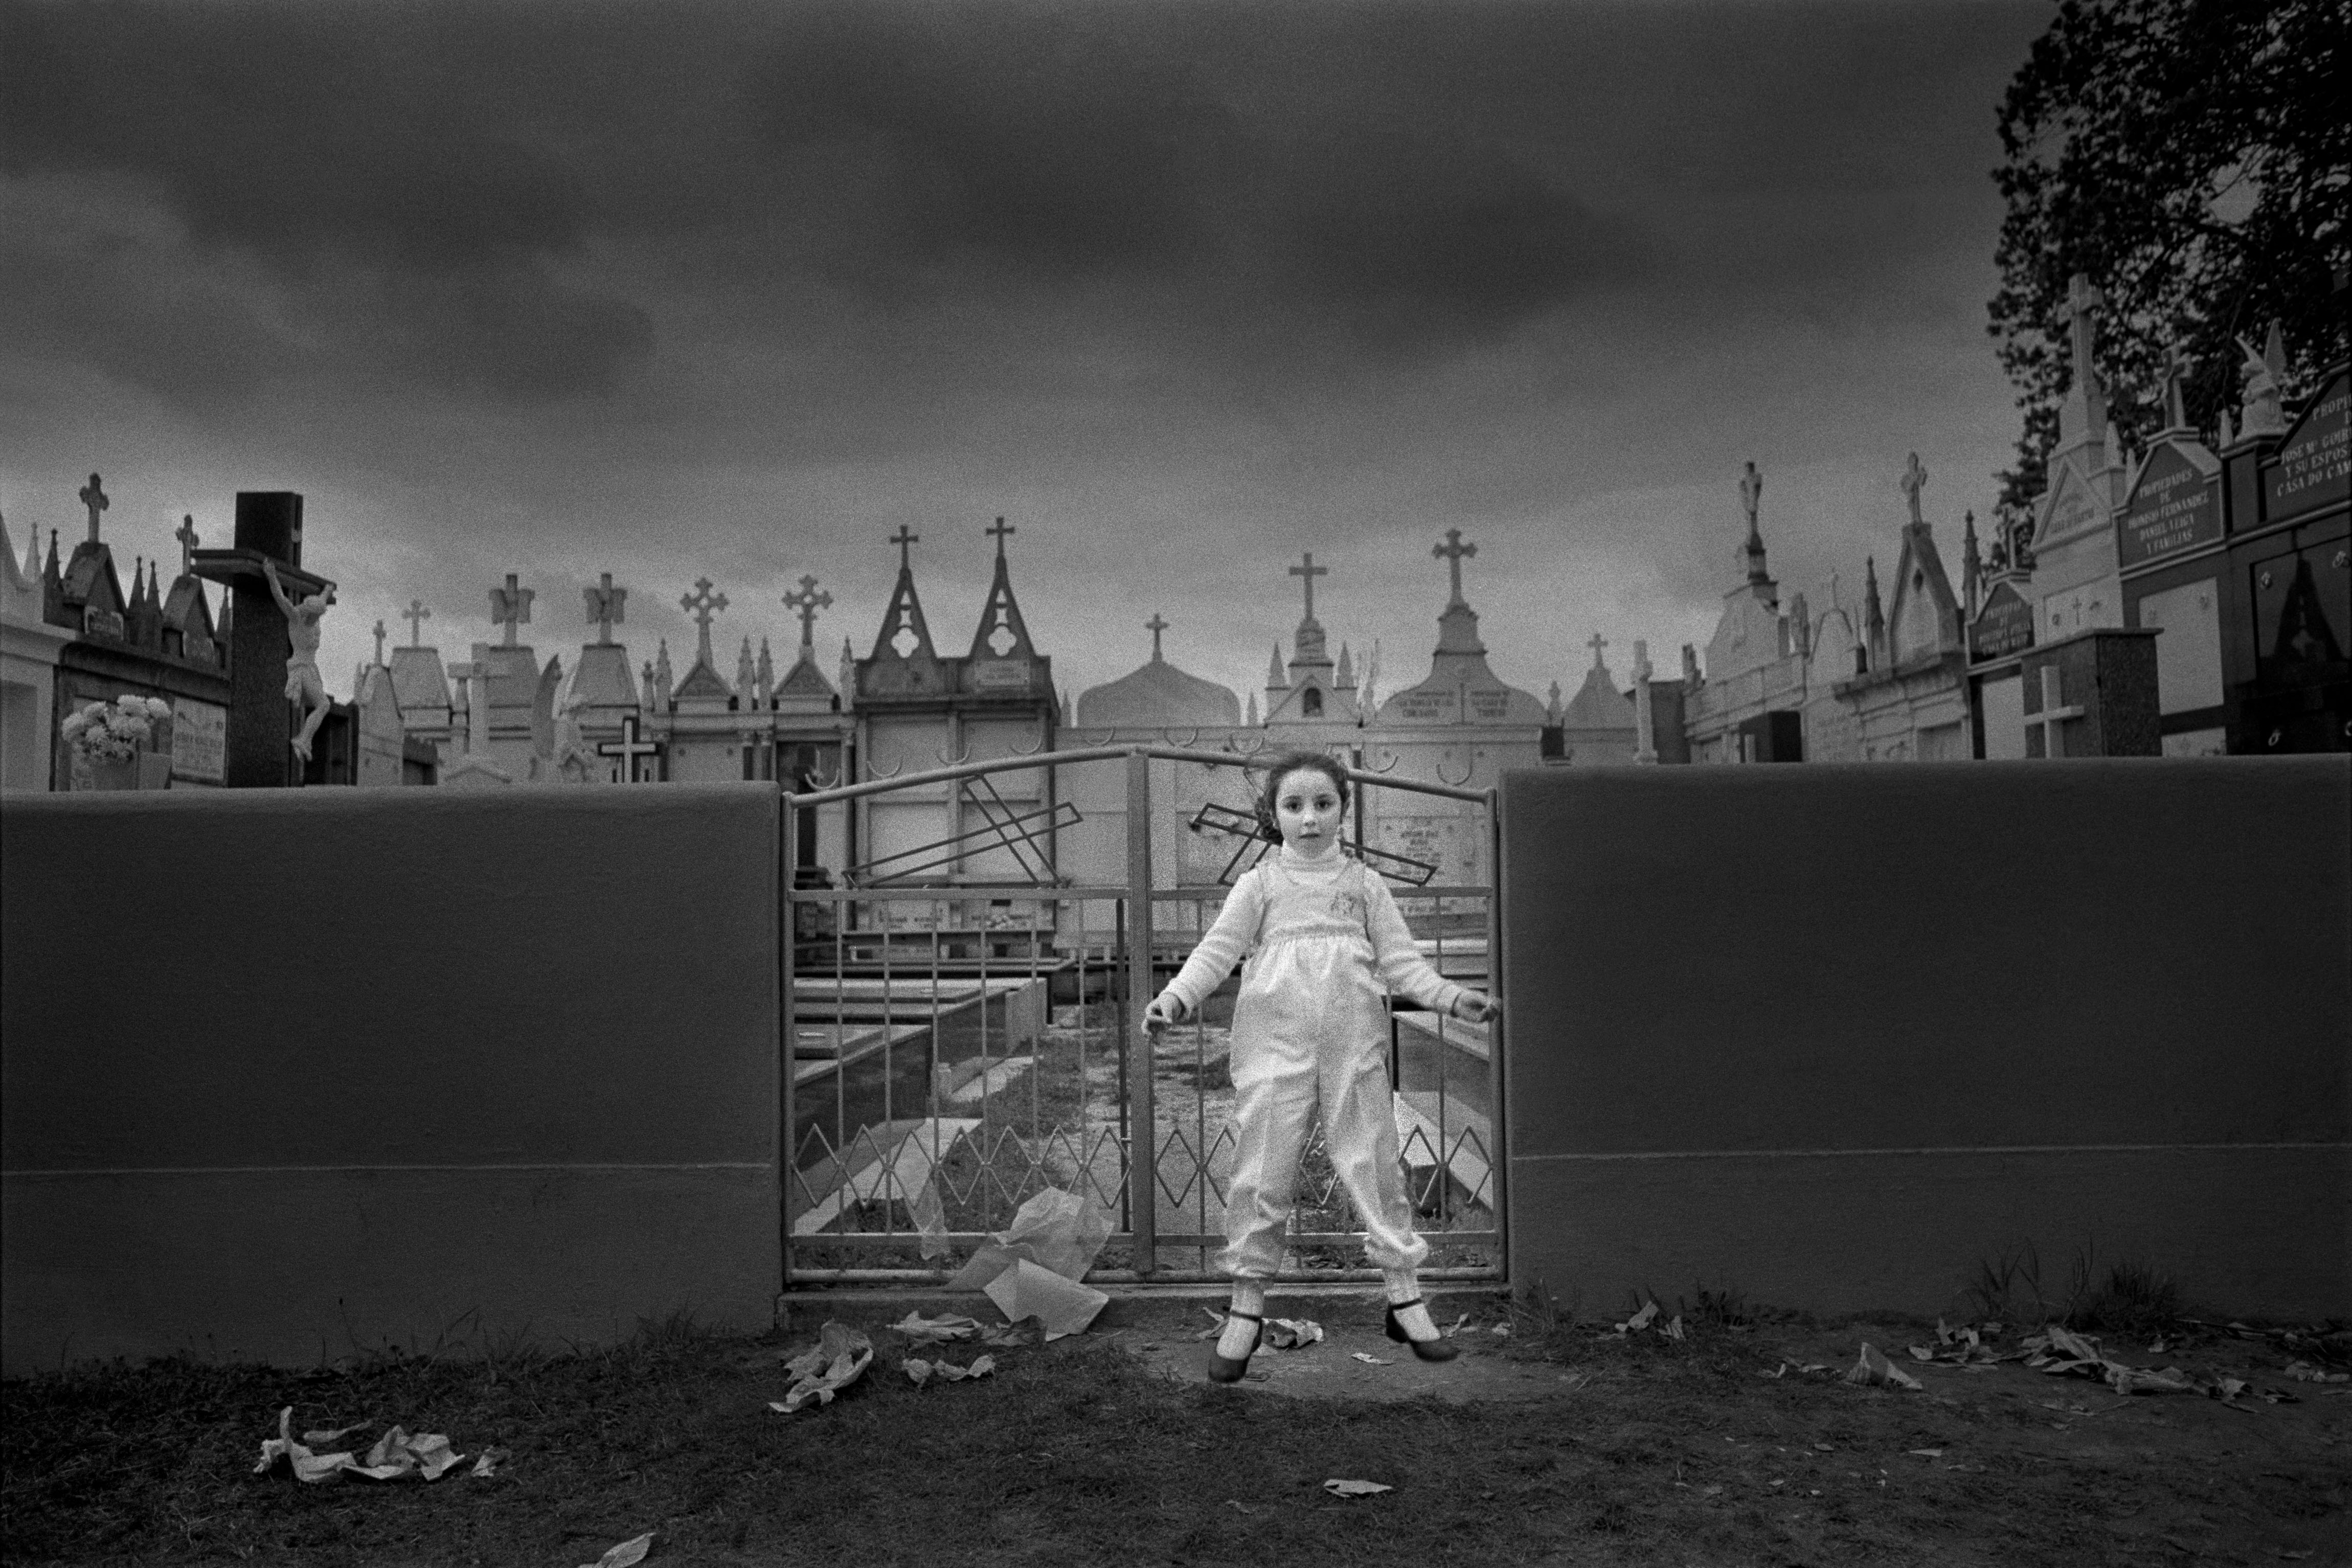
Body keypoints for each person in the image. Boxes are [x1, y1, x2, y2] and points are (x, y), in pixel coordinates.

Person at [1143, 752, 1499, 1382]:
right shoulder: (1259, 885)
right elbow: (1216, 951)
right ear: (1273, 814)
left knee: (1374, 1160)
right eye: (1294, 805)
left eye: (1323, 804)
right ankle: (1245, 1307)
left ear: (1342, 809)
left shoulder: (1363, 885)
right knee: (1262, 1167)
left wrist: (1449, 998)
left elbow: (1402, 962)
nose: (1309, 818)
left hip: (1352, 1042)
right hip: (1273, 1045)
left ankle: (1405, 1298)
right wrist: (1174, 998)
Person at [262, 559, 335, 764]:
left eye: (319, 616)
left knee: (323, 705)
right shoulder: (296, 618)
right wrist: (271, 576)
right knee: (323, 705)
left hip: (311, 668)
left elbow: (321, 600)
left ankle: (304, 739)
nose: (317, 619)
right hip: (301, 668)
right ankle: (303, 740)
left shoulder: (314, 616)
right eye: (316, 616)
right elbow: (280, 598)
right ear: (308, 611)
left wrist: (328, 591)